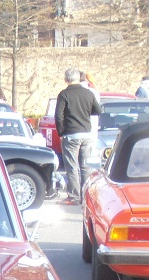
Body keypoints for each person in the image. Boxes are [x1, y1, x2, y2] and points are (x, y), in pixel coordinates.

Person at [55, 67, 101, 206]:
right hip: (87, 133)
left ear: (66, 79)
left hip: (71, 134)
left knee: (72, 166)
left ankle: (73, 196)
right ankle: (86, 196)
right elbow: (97, 110)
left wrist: (61, 133)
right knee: (85, 166)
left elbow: (58, 116)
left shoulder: (64, 94)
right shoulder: (88, 93)